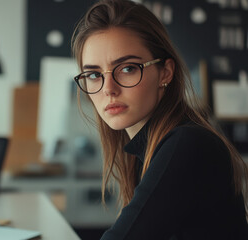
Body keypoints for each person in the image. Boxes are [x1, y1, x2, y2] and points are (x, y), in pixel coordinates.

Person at [72, 0, 248, 239]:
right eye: (93, 74)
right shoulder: (147, 148)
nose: (108, 89)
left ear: (165, 72)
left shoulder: (187, 144)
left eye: (127, 68)